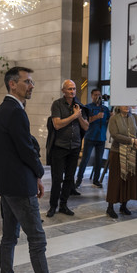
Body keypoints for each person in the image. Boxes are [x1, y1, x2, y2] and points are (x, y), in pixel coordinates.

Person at [0, 67, 79, 273]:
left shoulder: (1, 110)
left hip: (7, 185)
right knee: (37, 239)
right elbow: (26, 151)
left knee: (9, 237)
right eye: (27, 81)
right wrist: (39, 173)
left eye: (31, 82)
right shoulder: (15, 112)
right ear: (12, 84)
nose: (31, 86)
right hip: (20, 187)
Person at [47, 80, 89, 218]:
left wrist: (80, 117)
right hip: (59, 147)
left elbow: (86, 127)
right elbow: (57, 124)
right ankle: (53, 206)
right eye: (69, 89)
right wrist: (74, 116)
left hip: (75, 146)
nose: (72, 91)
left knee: (69, 178)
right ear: (63, 90)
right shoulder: (57, 104)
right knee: (57, 178)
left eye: (74, 89)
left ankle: (63, 205)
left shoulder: (79, 106)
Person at [106, 106, 137, 218]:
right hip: (117, 152)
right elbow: (115, 135)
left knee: (128, 179)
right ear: (119, 106)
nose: (126, 106)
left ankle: (124, 205)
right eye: (124, 104)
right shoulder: (114, 119)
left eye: (128, 104)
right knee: (116, 181)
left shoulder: (135, 117)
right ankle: (110, 207)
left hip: (133, 153)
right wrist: (133, 140)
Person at [76, 88, 110, 188]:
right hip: (90, 137)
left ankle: (96, 180)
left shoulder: (105, 108)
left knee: (99, 160)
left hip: (101, 138)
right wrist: (97, 116)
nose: (97, 97)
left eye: (99, 94)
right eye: (95, 95)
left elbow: (109, 119)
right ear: (91, 96)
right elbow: (86, 121)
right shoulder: (87, 107)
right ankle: (78, 180)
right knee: (85, 159)